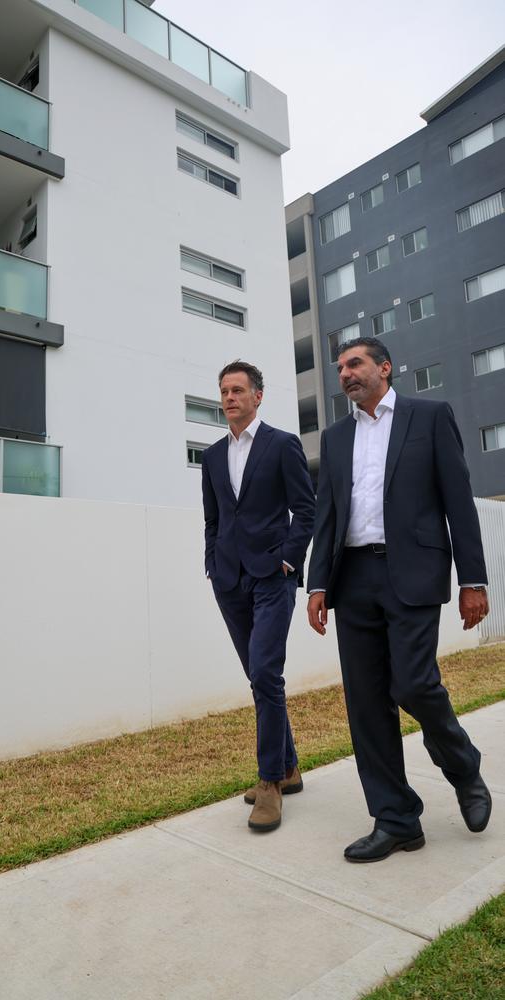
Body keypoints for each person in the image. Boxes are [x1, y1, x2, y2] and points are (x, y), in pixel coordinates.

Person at [307, 336, 491, 862]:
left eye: (356, 363)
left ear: (384, 368)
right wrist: (318, 584)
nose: (345, 373)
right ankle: (396, 820)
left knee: (412, 683)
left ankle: (463, 767)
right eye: (340, 367)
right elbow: (328, 516)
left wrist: (472, 579)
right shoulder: (336, 437)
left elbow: (458, 499)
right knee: (366, 704)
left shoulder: (428, 417)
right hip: (353, 578)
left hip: (411, 572)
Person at [202, 360, 315, 833]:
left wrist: (287, 562)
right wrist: (212, 561)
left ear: (258, 395)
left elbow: (306, 510)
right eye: (224, 391)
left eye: (238, 390)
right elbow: (213, 518)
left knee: (267, 671)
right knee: (258, 676)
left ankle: (270, 782)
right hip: (230, 580)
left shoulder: (282, 444)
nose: (229, 398)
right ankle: (288, 768)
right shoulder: (211, 456)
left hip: (272, 577)